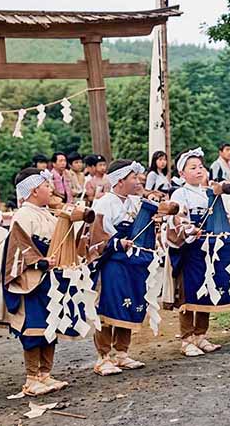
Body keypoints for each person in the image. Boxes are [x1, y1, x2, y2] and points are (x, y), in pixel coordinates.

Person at [167, 148, 230, 357]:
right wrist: (189, 229)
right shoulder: (179, 193)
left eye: (201, 166)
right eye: (192, 168)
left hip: (210, 249)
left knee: (207, 289)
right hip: (191, 249)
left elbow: (225, 216)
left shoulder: (210, 191)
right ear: (182, 174)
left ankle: (201, 335)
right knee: (189, 294)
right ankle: (186, 339)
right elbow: (177, 220)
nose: (199, 170)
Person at [3, 168, 70, 396]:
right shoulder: (23, 215)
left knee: (49, 326)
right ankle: (31, 378)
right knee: (33, 328)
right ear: (33, 191)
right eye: (46, 186)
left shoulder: (48, 214)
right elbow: (18, 248)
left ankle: (45, 374)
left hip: (49, 277)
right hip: (31, 278)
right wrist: (39, 262)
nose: (50, 189)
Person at [87, 160, 152, 375]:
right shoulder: (104, 203)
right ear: (120, 181)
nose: (137, 180)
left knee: (130, 302)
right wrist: (116, 243)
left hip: (132, 263)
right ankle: (103, 357)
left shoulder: (135, 202)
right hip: (112, 262)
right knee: (109, 306)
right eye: (133, 177)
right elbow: (95, 236)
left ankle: (122, 353)